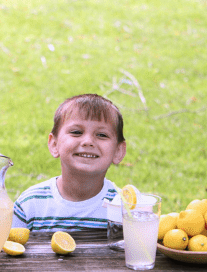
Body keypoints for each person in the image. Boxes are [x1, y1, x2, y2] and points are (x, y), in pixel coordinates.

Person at [12, 94, 126, 231]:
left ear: (118, 151)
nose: (88, 141)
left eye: (102, 135)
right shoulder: (30, 205)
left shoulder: (125, 208)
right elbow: (9, 248)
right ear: (54, 144)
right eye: (76, 132)